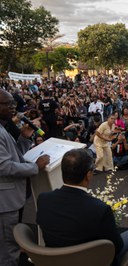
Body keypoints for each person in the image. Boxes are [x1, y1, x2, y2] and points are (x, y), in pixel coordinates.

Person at [36, 149, 128, 266]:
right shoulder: (99, 209)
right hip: (93, 261)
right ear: (89, 175)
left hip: (55, 260)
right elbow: (117, 246)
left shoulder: (43, 199)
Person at [0, 89, 50, 266]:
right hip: (4, 202)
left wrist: (24, 138)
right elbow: (4, 167)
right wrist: (35, 167)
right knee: (8, 251)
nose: (14, 107)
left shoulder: (3, 128)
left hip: (10, 199)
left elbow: (14, 157)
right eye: (8, 103)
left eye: (14, 103)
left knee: (10, 244)